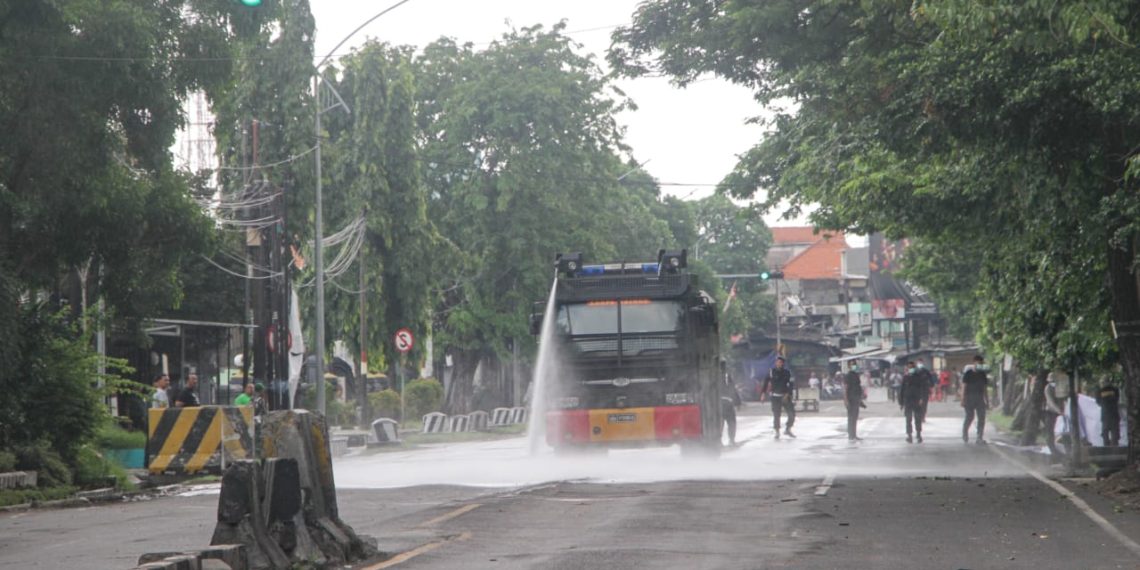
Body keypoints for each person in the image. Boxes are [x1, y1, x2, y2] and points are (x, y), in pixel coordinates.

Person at [761, 356, 796, 439]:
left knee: (792, 414)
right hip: (775, 396)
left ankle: (788, 429)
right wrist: (763, 393)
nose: (778, 364)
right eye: (777, 362)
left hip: (785, 396)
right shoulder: (771, 372)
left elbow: (791, 384)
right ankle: (777, 431)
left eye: (780, 362)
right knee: (777, 415)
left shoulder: (787, 373)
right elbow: (765, 383)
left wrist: (788, 394)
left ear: (783, 363)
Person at [960, 355, 989, 444]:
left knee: (981, 417)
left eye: (981, 363)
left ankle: (979, 437)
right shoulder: (968, 373)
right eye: (977, 363)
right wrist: (962, 399)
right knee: (969, 416)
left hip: (979, 398)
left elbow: (985, 388)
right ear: (974, 362)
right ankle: (965, 433)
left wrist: (987, 401)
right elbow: (964, 387)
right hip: (969, 397)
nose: (979, 364)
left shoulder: (982, 374)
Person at [899, 361, 928, 443]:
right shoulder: (905, 377)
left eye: (912, 367)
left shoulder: (919, 377)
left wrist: (922, 399)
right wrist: (901, 402)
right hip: (908, 401)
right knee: (908, 419)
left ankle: (918, 434)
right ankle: (909, 435)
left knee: (917, 418)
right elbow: (902, 390)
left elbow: (923, 388)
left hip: (917, 400)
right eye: (909, 367)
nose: (910, 369)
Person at [1042, 373, 1064, 455]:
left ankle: (1056, 449)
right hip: (1050, 412)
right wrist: (1059, 411)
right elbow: (1050, 402)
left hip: (1059, 413)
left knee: (1060, 431)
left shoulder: (1059, 388)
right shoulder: (1048, 388)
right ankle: (1051, 449)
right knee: (1050, 431)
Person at [843, 364, 865, 441]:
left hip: (856, 399)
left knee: (854, 417)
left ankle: (853, 434)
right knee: (851, 417)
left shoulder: (856, 376)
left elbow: (858, 388)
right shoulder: (848, 376)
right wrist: (846, 400)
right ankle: (851, 435)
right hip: (851, 399)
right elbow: (846, 388)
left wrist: (860, 400)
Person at [1096, 381, 1121, 447]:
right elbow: (1117, 399)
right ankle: (1115, 447)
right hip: (1114, 414)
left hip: (1105, 414)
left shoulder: (1100, 391)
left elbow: (1098, 402)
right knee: (1114, 431)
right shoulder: (1115, 389)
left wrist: (1104, 404)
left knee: (1105, 431)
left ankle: (1106, 446)